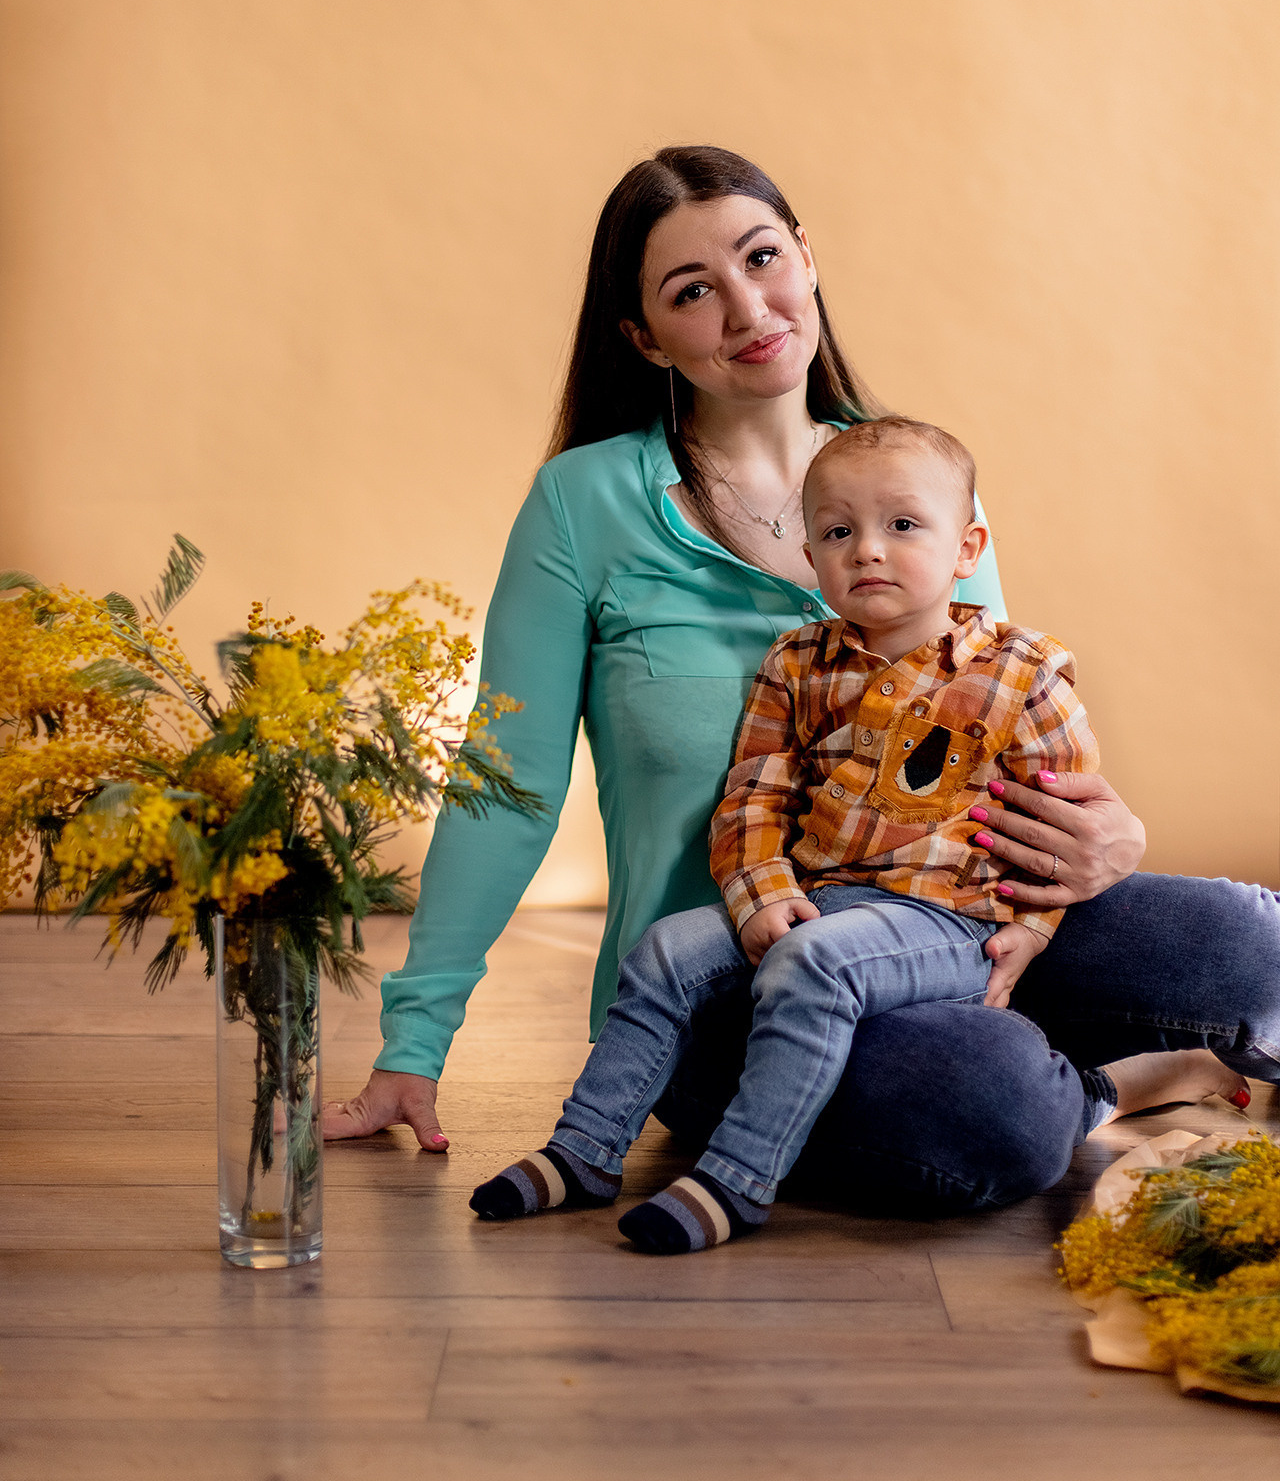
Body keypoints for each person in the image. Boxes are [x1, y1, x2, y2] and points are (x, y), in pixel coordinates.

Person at [324, 145, 1280, 1214]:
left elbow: (998, 745)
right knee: (992, 1110)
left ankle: (1046, 1045)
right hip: (726, 981)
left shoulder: (914, 482)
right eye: (693, 292)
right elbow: (505, 782)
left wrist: (1105, 840)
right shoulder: (581, 502)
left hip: (934, 926)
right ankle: (1117, 1081)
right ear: (643, 338)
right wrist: (414, 1042)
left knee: (1248, 942)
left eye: (761, 257)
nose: (747, 307)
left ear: (806, 257)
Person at [467, 419, 1247, 1251]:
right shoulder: (797, 666)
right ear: (811, 557)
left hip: (948, 918)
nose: (867, 550)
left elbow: (1056, 828)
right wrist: (762, 893)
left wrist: (1030, 929)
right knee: (663, 950)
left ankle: (737, 1178)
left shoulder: (1023, 676)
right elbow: (753, 799)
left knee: (817, 962)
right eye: (838, 532)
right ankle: (582, 1151)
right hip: (819, 898)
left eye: (902, 526)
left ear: (965, 547)